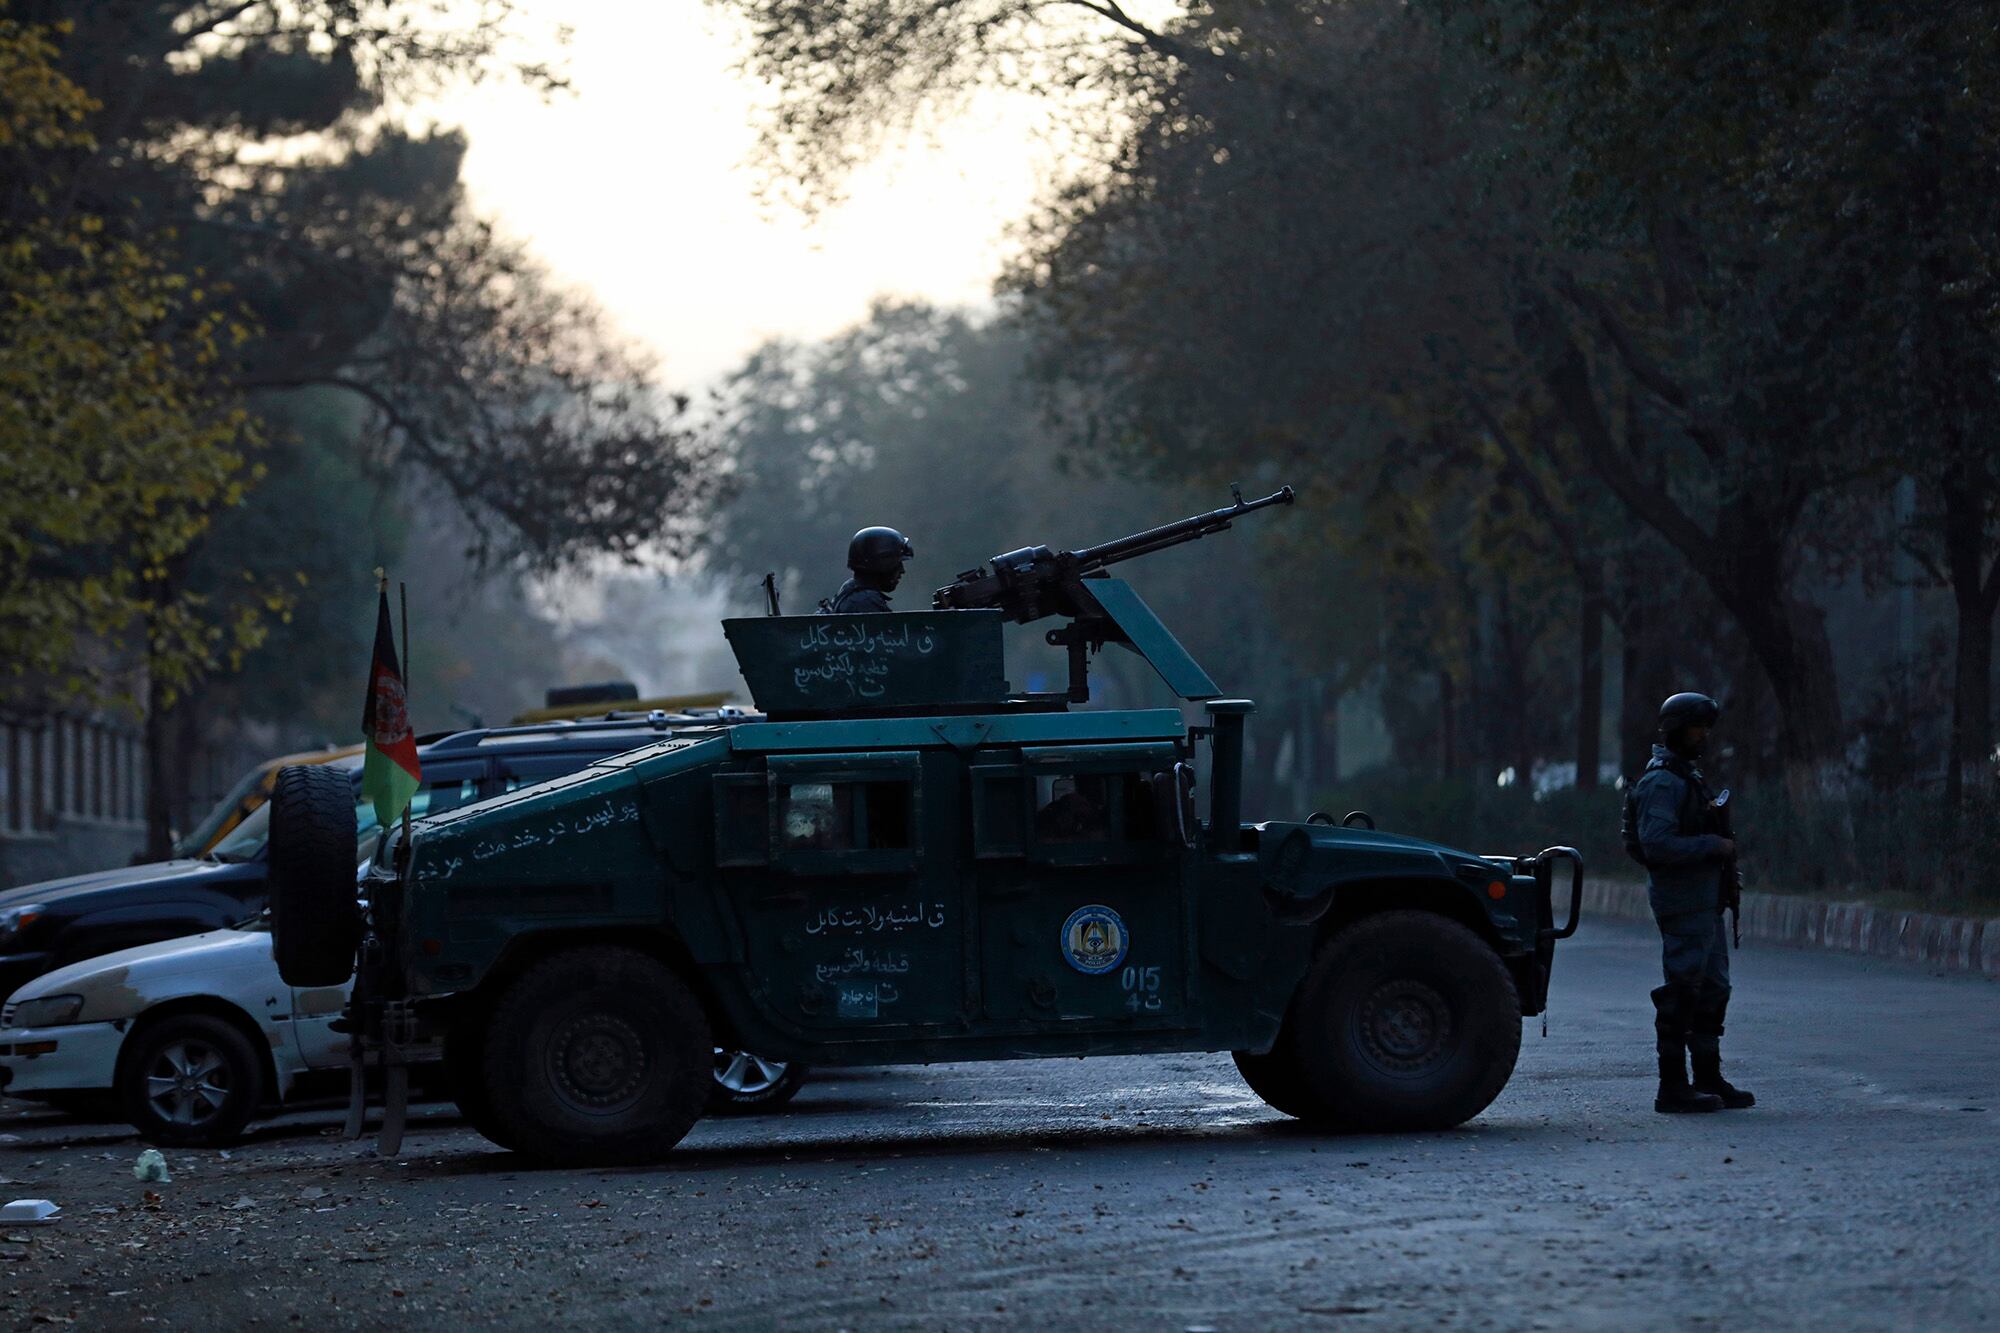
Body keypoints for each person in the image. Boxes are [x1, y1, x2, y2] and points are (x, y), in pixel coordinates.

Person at [1626, 691, 1756, 1115]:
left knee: (1714, 987)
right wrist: (1713, 845)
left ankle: (1707, 1076)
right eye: (1698, 727)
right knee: (1682, 989)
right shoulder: (1662, 781)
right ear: (1678, 729)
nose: (1704, 736)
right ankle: (1673, 1086)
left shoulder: (1687, 776)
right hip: (1682, 902)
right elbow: (1657, 844)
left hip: (1704, 901)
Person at [819, 527, 914, 614]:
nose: (902, 571)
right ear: (882, 564)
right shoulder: (864, 602)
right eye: (897, 564)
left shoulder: (851, 589)